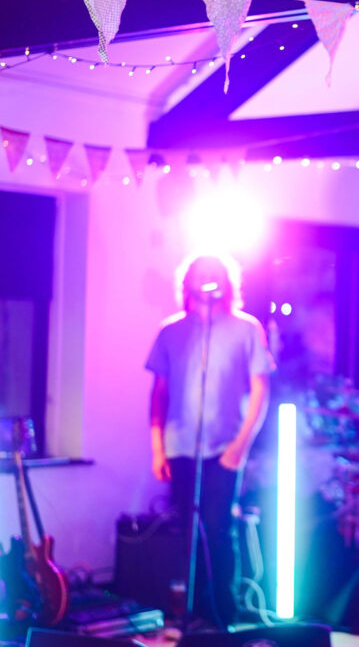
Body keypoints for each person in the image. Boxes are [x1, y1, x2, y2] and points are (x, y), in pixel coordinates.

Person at [146, 253, 273, 628]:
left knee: (218, 530)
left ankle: (223, 617)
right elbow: (159, 393)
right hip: (180, 446)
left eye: (214, 273)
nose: (207, 279)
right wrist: (157, 447)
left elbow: (260, 388)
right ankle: (194, 615)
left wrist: (240, 446)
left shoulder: (247, 329)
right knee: (188, 532)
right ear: (187, 282)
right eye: (200, 273)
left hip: (224, 448)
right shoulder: (171, 331)